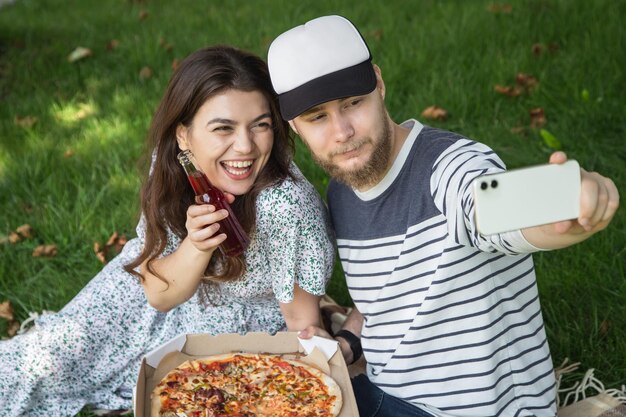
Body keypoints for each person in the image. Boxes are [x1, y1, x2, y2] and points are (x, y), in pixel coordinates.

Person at [267, 15, 619, 417]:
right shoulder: (342, 190)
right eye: (318, 117)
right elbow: (384, 299)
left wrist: (567, 202)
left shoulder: (450, 168)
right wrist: (348, 340)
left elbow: (491, 207)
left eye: (353, 103)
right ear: (295, 126)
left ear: (379, 84)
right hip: (385, 397)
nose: (342, 130)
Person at [0, 45, 335, 417]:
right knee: (35, 362)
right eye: (223, 128)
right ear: (184, 136)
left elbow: (303, 326)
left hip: (236, 325)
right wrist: (196, 244)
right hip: (155, 287)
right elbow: (158, 293)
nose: (245, 146)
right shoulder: (176, 165)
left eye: (260, 125)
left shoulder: (285, 205)